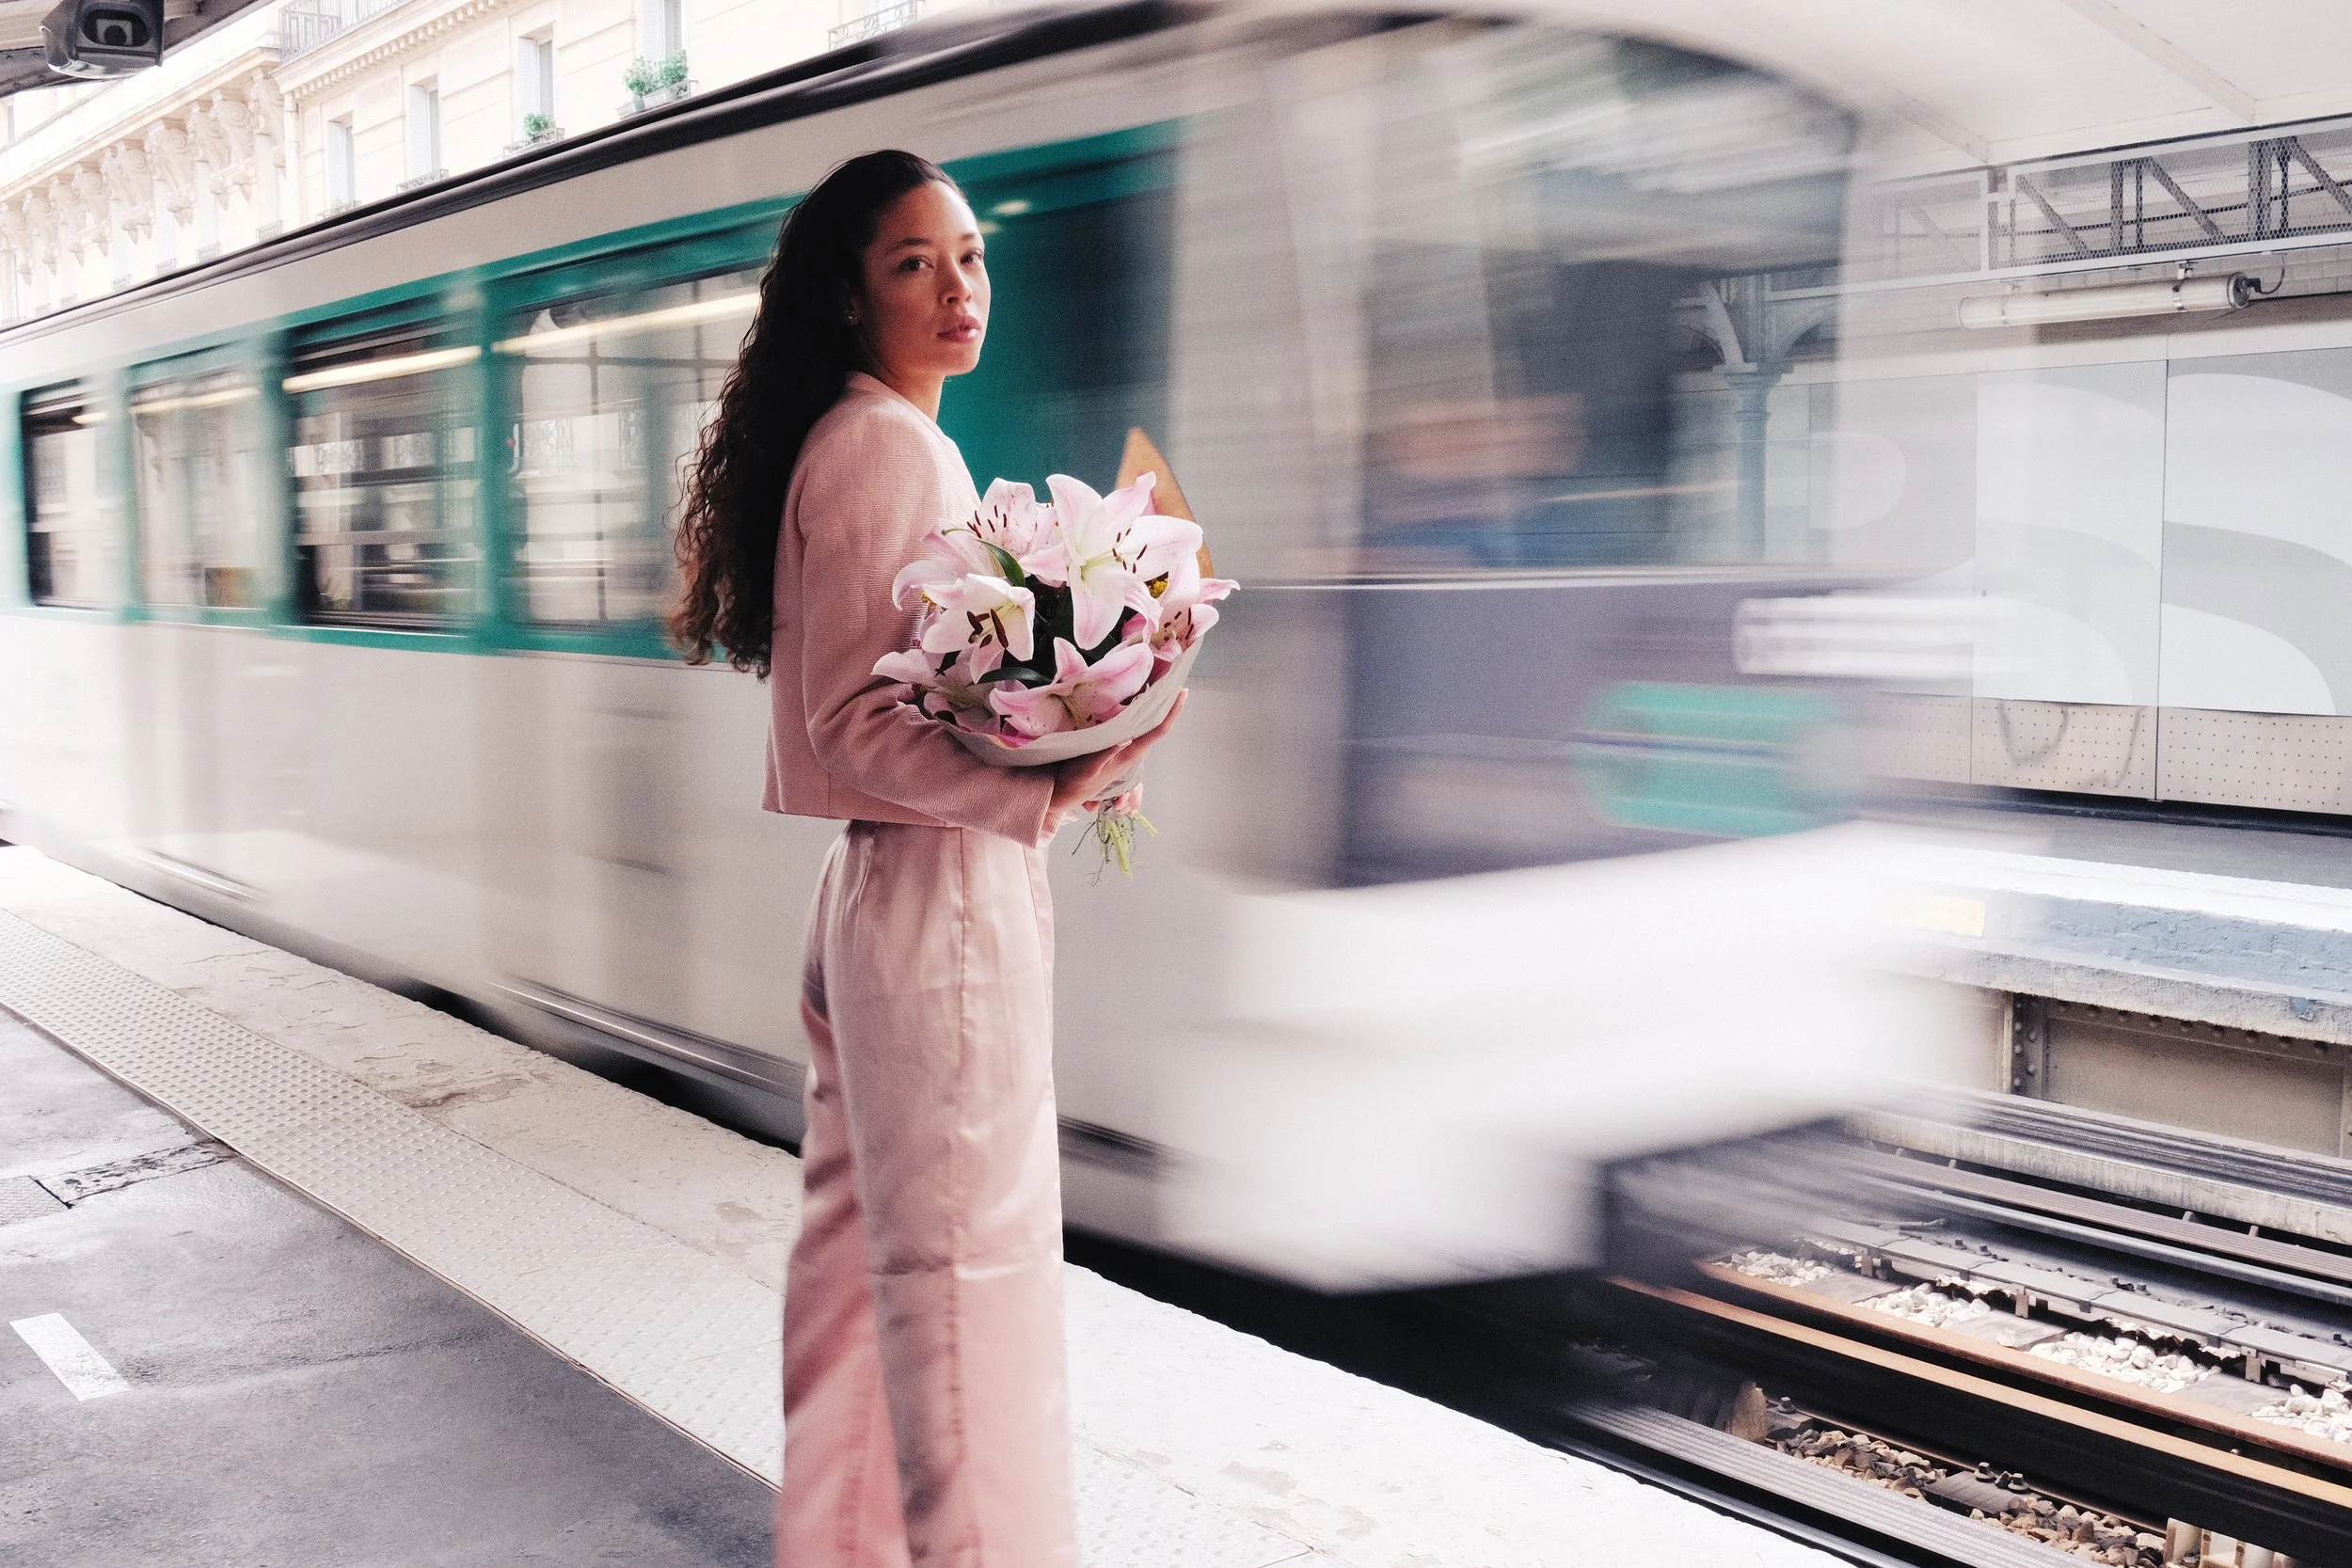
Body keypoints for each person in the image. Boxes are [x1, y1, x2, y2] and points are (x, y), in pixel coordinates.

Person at [670, 150, 1179, 1566]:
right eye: (913, 263)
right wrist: (1054, 775)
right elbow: (856, 717)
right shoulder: (889, 447)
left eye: (968, 255)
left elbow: (869, 702)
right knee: (971, 1292)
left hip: (887, 896)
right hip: (937, 900)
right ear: (849, 297)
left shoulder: (857, 434)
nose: (959, 287)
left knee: (859, 1275)